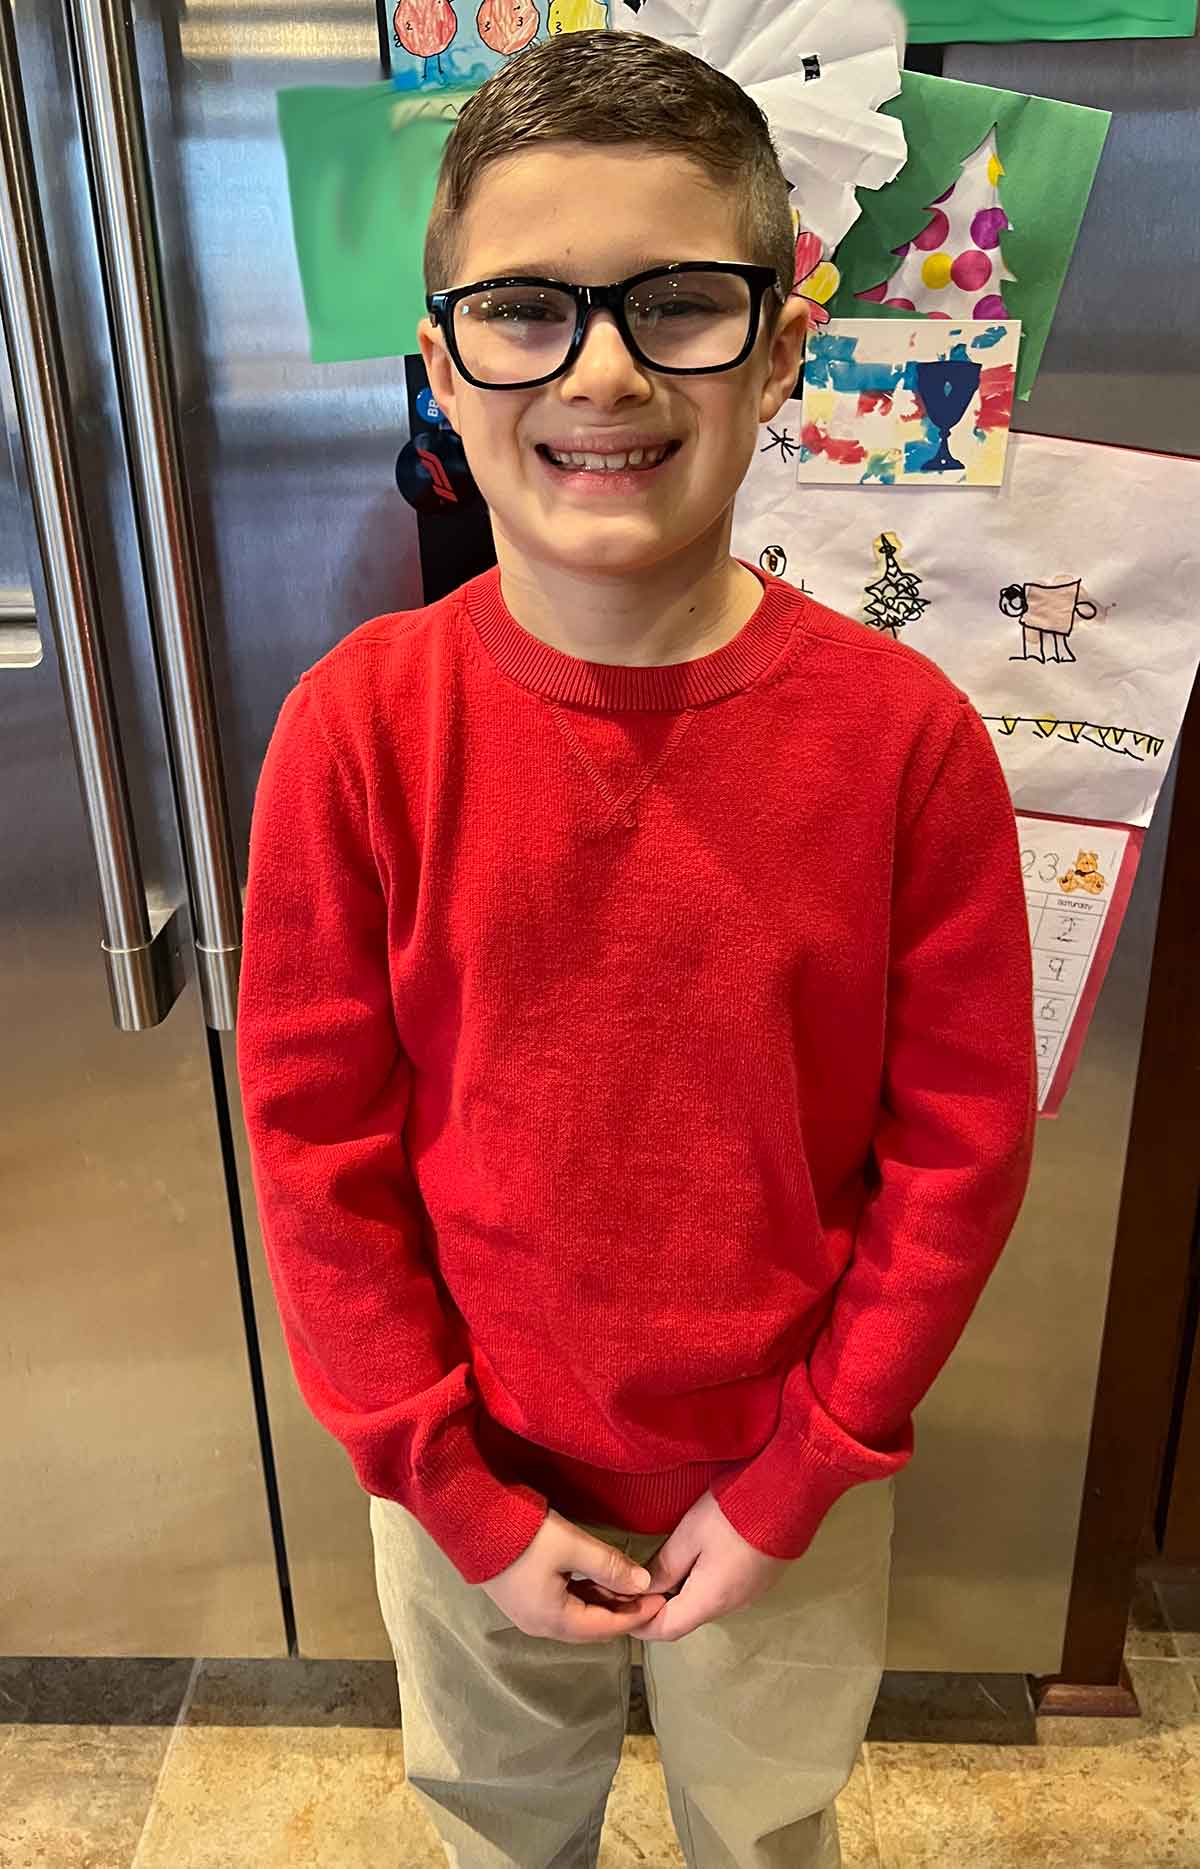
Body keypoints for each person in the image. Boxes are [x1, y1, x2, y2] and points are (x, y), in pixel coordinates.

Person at [237, 29, 1036, 1868]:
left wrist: (803, 1470)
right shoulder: (359, 729)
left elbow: (955, 1151)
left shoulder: (905, 741)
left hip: (788, 1481)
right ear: (442, 360)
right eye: (525, 309)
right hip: (467, 1479)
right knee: (500, 1824)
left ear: (778, 348)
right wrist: (454, 1487)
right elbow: (317, 1150)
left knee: (765, 1826)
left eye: (678, 302)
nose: (600, 367)